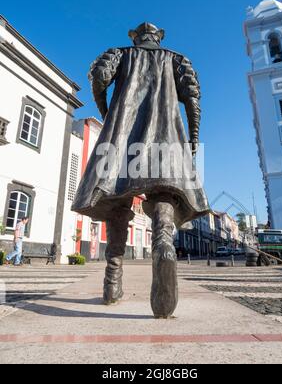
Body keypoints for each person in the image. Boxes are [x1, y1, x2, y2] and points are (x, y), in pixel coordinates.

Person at [72, 23, 209, 318]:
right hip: (166, 137)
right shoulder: (177, 59)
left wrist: (105, 111)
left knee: (116, 202)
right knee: (163, 194)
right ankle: (163, 243)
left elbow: (98, 77)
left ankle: (112, 283)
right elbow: (193, 98)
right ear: (158, 38)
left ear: (135, 37)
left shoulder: (119, 54)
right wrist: (194, 136)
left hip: (121, 136)